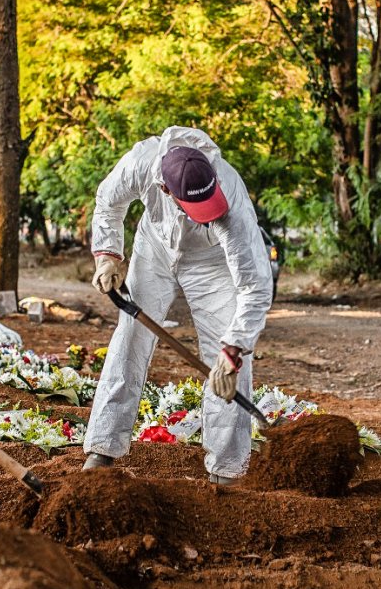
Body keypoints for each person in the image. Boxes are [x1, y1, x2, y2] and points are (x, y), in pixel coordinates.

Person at [82, 126, 273, 484]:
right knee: (130, 337)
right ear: (166, 190)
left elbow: (255, 286)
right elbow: (108, 201)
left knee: (228, 362)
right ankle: (103, 447)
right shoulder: (141, 163)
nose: (208, 211)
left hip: (213, 262)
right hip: (155, 246)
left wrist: (233, 348)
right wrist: (108, 256)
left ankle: (227, 468)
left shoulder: (230, 200)